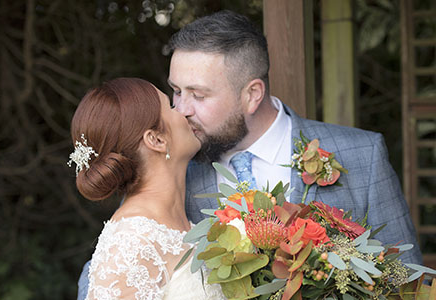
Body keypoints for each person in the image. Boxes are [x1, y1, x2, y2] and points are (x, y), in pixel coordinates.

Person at [77, 10, 423, 299]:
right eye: (176, 91)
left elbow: (406, 283)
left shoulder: (363, 154)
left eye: (197, 95)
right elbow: (107, 275)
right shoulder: (171, 174)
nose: (182, 109)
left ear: (252, 94)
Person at [69, 78, 224, 299]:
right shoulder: (131, 243)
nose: (184, 111)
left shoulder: (182, 223)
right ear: (156, 139)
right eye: (171, 106)